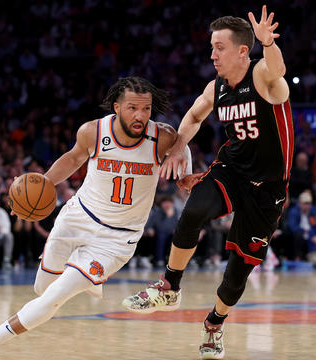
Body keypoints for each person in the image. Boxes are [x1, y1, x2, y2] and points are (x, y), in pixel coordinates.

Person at [0, 77, 186, 359]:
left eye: (146, 109)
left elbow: (183, 145)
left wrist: (182, 160)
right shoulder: (93, 132)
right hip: (78, 217)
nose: (140, 116)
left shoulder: (162, 137)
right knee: (41, 288)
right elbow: (72, 159)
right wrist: (39, 186)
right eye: (132, 108)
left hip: (116, 239)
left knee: (55, 296)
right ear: (117, 107)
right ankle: (89, 279)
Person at [121, 7, 293, 359]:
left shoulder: (261, 75)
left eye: (219, 47)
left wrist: (269, 43)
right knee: (194, 208)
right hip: (231, 170)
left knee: (237, 275)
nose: (212, 54)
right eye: (211, 47)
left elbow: (278, 71)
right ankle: (169, 286)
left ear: (242, 51)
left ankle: (214, 324)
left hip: (269, 188)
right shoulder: (216, 88)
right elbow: (195, 114)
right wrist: (178, 149)